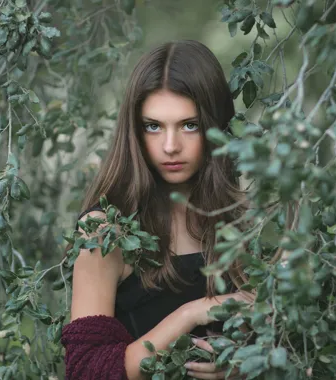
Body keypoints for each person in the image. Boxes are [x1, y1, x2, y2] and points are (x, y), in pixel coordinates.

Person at [60, 40, 254, 380]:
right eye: (154, 126)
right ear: (135, 131)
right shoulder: (106, 229)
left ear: (216, 127)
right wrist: (189, 315)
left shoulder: (239, 216)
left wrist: (245, 366)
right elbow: (87, 372)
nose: (170, 146)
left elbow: (285, 344)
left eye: (189, 125)